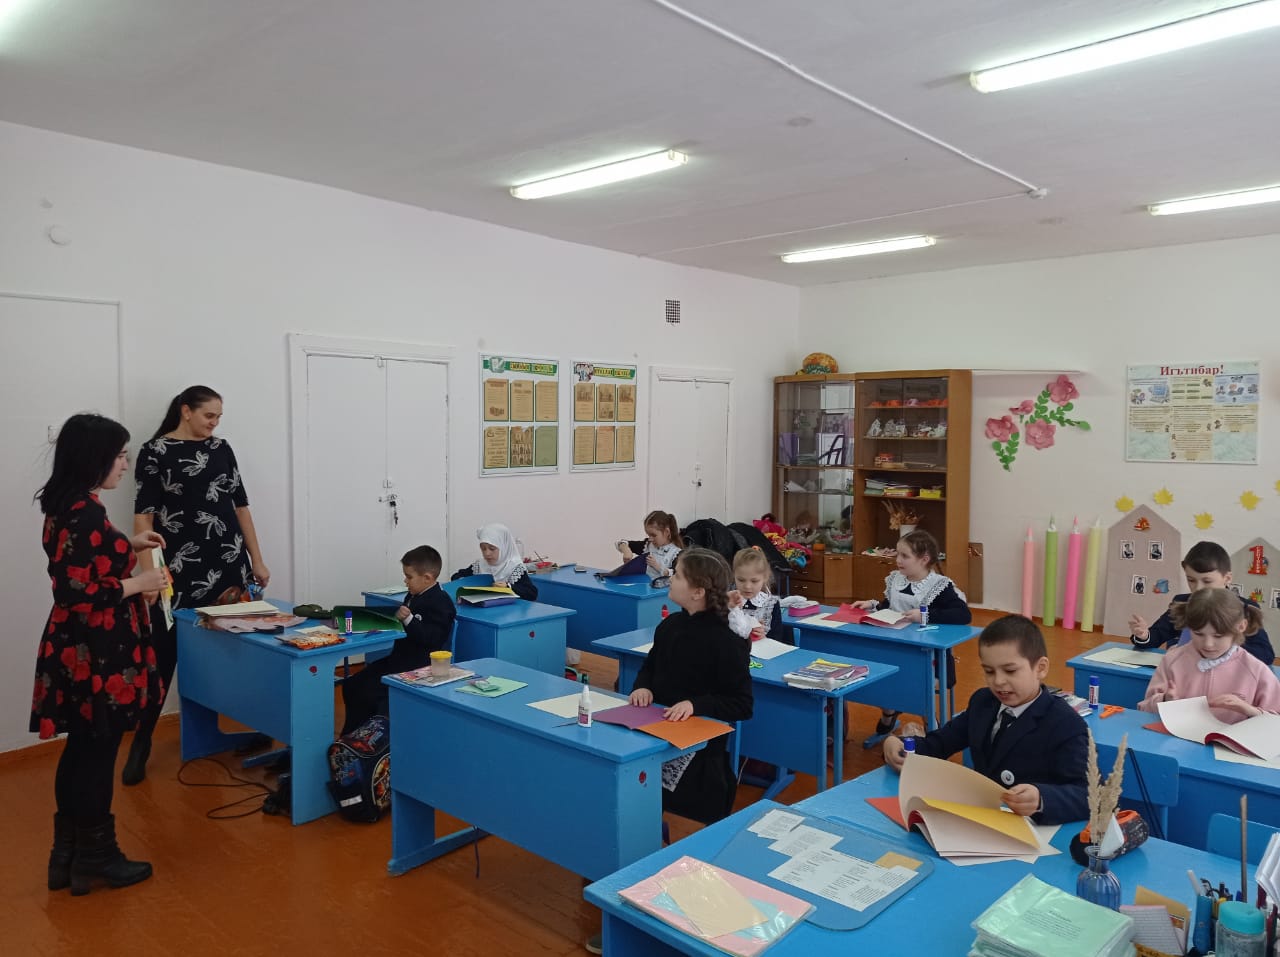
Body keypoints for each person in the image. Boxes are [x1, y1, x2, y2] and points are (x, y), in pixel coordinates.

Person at [31, 413, 168, 894]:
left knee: (82, 749)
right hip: (98, 649)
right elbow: (76, 592)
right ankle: (96, 856)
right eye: (119, 455)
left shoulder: (69, 504)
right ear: (95, 458)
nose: (124, 464)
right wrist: (140, 581)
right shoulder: (86, 512)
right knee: (97, 751)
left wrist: (126, 544)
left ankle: (67, 854)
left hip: (77, 646)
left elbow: (84, 560)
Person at [125, 385, 272, 784]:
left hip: (228, 566)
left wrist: (257, 559)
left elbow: (241, 508)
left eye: (219, 417)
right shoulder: (155, 452)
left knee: (235, 650)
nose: (214, 423)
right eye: (209, 415)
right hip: (178, 570)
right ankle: (141, 743)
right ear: (186, 411)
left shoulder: (221, 448)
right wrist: (149, 577)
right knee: (163, 656)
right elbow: (143, 518)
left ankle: (249, 727)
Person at [883, 614, 1088, 825]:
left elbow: (1087, 795)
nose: (998, 681)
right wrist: (898, 744)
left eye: (1010, 670)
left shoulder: (1065, 724)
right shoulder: (983, 702)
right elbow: (940, 743)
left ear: (1041, 668)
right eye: (989, 671)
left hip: (1030, 828)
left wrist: (1041, 799)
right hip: (980, 820)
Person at [629, 548, 753, 824]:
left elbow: (742, 704)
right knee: (635, 796)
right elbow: (650, 666)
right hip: (655, 733)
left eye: (677, 576)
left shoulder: (725, 641)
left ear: (697, 592)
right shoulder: (671, 625)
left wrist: (694, 705)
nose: (670, 579)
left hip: (700, 757)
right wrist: (642, 686)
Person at [855, 530, 972, 747]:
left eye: (905, 556)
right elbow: (890, 606)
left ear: (924, 559)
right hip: (894, 648)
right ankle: (889, 711)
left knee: (914, 680)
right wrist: (872, 605)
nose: (898, 560)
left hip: (926, 656)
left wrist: (925, 615)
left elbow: (963, 615)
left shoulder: (939, 585)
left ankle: (929, 720)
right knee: (879, 673)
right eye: (897, 554)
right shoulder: (896, 579)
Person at [341, 545, 456, 734]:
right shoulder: (413, 594)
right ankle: (352, 737)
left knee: (368, 692)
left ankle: (368, 740)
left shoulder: (441, 602)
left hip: (419, 668)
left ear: (427, 578)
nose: (405, 581)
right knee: (352, 684)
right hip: (398, 660)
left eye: (409, 577)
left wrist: (408, 619)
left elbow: (433, 639)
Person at [1137, 588, 1280, 722]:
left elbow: (1275, 721)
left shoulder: (1255, 669)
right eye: (1198, 634)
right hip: (1176, 739)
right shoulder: (1172, 660)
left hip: (1230, 741)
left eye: (1218, 636)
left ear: (1241, 626)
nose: (1208, 644)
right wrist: (1165, 700)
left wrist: (1249, 710)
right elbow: (1144, 708)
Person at [1129, 540, 1274, 665]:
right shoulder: (1182, 603)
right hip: (1183, 675)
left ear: (1227, 578)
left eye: (1207, 581)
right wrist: (1144, 635)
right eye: (1191, 580)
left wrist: (1222, 647)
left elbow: (1265, 654)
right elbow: (1156, 636)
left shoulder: (1244, 609)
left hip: (1225, 679)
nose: (1198, 588)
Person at [451, 523, 537, 600]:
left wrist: (508, 587)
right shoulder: (480, 565)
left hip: (508, 611)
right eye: (483, 549)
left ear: (504, 547)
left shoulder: (514, 568)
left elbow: (532, 594)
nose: (487, 553)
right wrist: (462, 581)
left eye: (492, 549)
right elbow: (456, 576)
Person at [726, 547, 789, 644]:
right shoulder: (727, 601)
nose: (747, 586)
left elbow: (777, 639)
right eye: (741, 580)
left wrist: (763, 637)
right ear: (734, 576)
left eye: (754, 581)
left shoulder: (771, 604)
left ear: (765, 578)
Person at [616, 509, 683, 580]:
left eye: (653, 535)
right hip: (644, 585)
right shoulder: (647, 545)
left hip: (664, 587)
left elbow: (678, 575)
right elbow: (622, 542)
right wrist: (626, 551)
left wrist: (657, 567)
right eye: (648, 535)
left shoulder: (677, 554)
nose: (650, 539)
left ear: (666, 532)